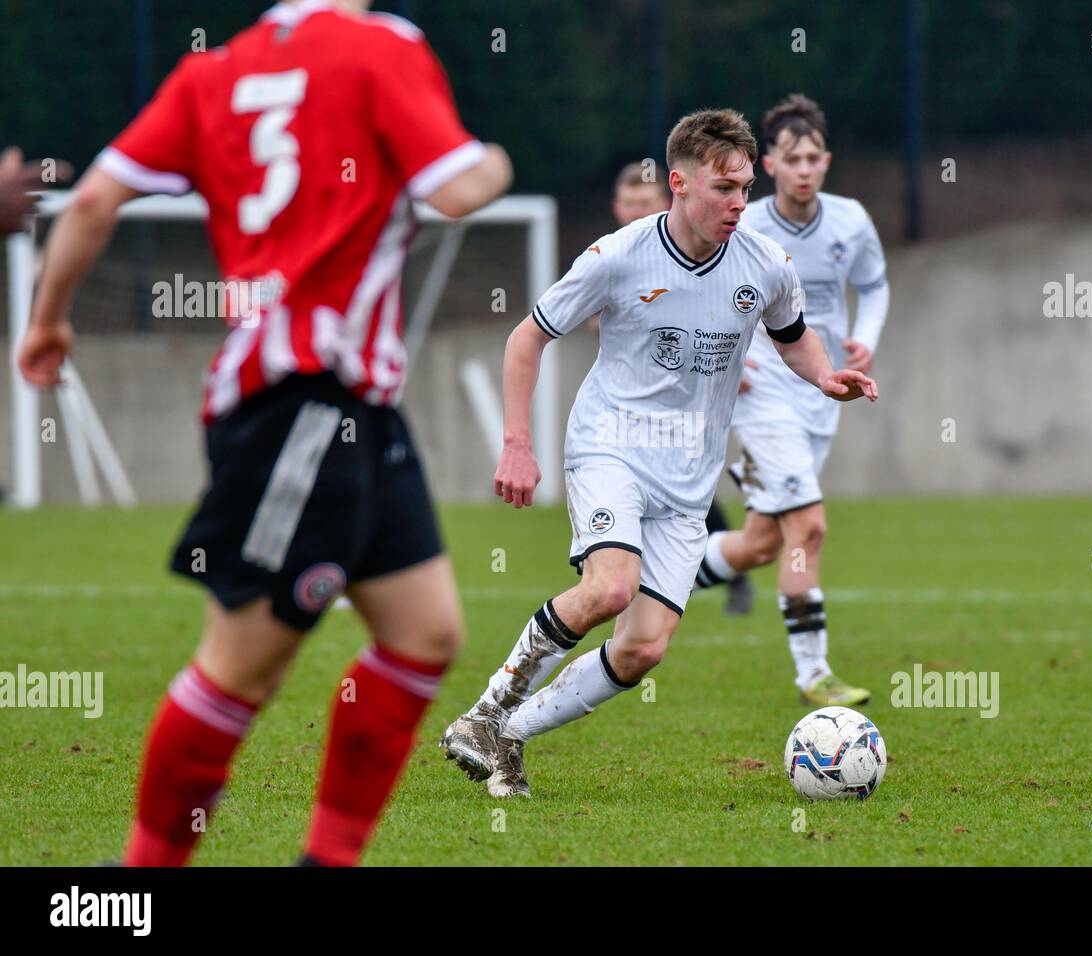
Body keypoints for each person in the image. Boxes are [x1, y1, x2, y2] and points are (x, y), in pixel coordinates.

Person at [15, 0, 512, 866]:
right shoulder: (381, 47)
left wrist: (46, 320)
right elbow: (459, 188)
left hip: (354, 409)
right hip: (299, 407)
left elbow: (92, 199)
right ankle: (138, 880)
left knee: (424, 633)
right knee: (243, 664)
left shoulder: (215, 70)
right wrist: (498, 159)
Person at [440, 108, 877, 798]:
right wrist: (517, 445)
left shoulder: (764, 263)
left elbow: (792, 336)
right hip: (611, 445)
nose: (738, 203)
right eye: (722, 189)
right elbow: (527, 337)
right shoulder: (618, 256)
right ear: (678, 183)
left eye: (742, 189)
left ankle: (512, 734)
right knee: (609, 587)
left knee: (643, 648)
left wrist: (823, 376)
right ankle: (486, 709)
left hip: (689, 479)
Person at [692, 94, 889, 708]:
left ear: (825, 161)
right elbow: (709, 293)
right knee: (809, 525)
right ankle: (814, 674)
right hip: (764, 395)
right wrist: (734, 357)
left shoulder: (851, 221)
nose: (803, 168)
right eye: (790, 158)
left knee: (761, 544)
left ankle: (654, 575)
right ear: (770, 166)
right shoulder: (743, 224)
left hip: (821, 390)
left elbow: (876, 287)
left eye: (813, 158)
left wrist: (866, 339)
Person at [605, 161, 754, 615]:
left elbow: (721, 313)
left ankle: (728, 573)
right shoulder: (613, 255)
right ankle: (628, 573)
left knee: (693, 489)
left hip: (694, 402)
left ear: (665, 200)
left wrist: (728, 366)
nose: (634, 211)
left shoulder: (703, 252)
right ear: (616, 207)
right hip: (637, 400)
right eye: (627, 203)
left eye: (642, 203)